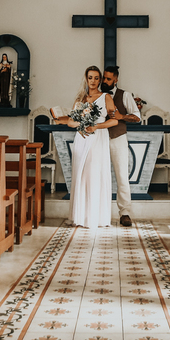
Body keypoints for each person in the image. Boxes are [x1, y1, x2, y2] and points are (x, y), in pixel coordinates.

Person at [55, 65, 119, 228]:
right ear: (86, 78)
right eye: (90, 77)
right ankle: (80, 216)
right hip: (82, 139)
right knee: (81, 174)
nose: (93, 81)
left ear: (100, 80)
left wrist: (96, 127)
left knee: (94, 174)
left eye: (97, 78)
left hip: (98, 138)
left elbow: (114, 120)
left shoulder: (106, 97)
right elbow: (71, 121)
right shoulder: (80, 99)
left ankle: (96, 217)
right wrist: (79, 126)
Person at [101, 65, 141, 227]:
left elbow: (137, 117)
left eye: (108, 79)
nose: (105, 81)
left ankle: (125, 213)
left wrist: (121, 116)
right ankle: (99, 212)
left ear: (116, 80)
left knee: (122, 176)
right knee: (99, 176)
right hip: (100, 139)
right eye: (104, 78)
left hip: (118, 138)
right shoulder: (97, 95)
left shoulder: (125, 95)